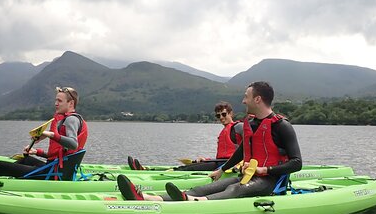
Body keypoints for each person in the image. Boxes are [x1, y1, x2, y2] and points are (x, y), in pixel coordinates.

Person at [117, 81, 301, 201]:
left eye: (246, 96)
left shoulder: (282, 126)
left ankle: (194, 202)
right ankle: (150, 198)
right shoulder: (251, 124)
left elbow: (297, 163)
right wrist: (221, 170)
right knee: (205, 187)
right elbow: (241, 152)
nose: (244, 101)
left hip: (271, 182)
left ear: (258, 99)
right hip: (248, 176)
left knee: (236, 190)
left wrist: (265, 169)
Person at [0, 86, 88, 178]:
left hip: (54, 174)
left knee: (1, 165)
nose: (55, 104)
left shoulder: (71, 119)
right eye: (56, 100)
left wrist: (49, 134)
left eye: (60, 101)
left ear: (71, 103)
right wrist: (37, 152)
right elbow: (60, 155)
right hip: (54, 168)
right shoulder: (66, 119)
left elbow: (73, 144)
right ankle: (0, 176)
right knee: (26, 159)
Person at [127, 101, 243, 171]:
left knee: (191, 168)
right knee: (195, 165)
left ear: (231, 113)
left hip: (228, 164)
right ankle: (147, 169)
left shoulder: (238, 127)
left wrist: (242, 162)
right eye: (218, 116)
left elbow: (252, 140)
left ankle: (161, 172)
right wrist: (206, 159)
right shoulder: (224, 131)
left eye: (224, 114)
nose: (221, 117)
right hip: (219, 161)